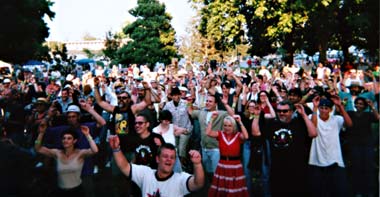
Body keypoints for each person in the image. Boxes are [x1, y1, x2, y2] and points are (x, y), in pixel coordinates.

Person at [252, 100, 317, 196]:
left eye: (285, 111)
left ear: (291, 111)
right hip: (278, 172)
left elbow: (313, 133)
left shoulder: (299, 123)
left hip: (297, 172)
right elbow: (255, 133)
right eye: (279, 111)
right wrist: (256, 115)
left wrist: (303, 115)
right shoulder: (272, 124)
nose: (281, 113)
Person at [109, 139, 205, 197]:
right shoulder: (145, 174)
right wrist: (116, 149)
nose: (169, 160)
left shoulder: (180, 179)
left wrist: (197, 164)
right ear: (157, 159)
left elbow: (198, 183)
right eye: (165, 156)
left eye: (172, 157)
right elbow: (124, 166)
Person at [34, 122, 98, 196]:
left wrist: (87, 135)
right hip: (60, 192)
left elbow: (95, 150)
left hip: (77, 191)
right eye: (64, 138)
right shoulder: (57, 153)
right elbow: (38, 148)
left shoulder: (80, 153)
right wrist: (41, 133)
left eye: (69, 138)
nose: (65, 140)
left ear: (74, 141)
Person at [308, 96, 353, 197]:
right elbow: (313, 127)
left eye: (326, 108)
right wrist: (315, 107)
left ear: (330, 110)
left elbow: (349, 124)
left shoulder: (337, 119)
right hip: (316, 161)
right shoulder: (313, 116)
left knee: (338, 191)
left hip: (336, 161)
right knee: (319, 192)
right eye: (321, 108)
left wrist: (340, 106)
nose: (324, 110)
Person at [206, 113, 249, 196]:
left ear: (234, 126)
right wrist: (211, 119)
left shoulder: (238, 135)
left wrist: (240, 122)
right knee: (222, 188)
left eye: (230, 126)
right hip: (222, 165)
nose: (227, 128)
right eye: (225, 125)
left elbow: (246, 136)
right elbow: (208, 133)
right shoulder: (221, 134)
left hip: (235, 166)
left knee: (234, 189)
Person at [346, 97, 379, 196]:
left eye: (361, 104)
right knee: (357, 168)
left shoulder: (368, 115)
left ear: (364, 106)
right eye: (357, 103)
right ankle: (358, 191)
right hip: (355, 145)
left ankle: (369, 191)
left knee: (368, 169)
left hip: (367, 145)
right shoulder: (351, 113)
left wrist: (372, 106)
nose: (358, 105)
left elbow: (377, 118)